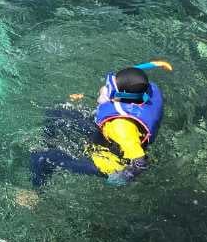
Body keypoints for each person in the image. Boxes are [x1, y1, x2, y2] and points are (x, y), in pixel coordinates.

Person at [19, 61, 171, 203]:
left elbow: (141, 162)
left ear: (121, 97)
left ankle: (35, 195)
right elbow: (134, 78)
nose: (103, 89)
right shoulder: (143, 93)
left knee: (40, 158)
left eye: (109, 88)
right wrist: (156, 63)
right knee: (56, 111)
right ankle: (49, 143)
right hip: (106, 136)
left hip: (106, 163)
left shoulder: (121, 127)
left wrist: (122, 178)